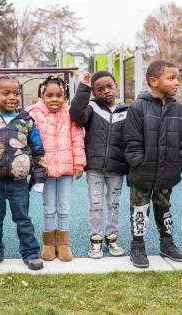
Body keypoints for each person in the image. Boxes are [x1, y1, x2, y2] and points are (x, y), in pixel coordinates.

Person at [0, 76, 47, 270]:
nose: (12, 97)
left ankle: (30, 253)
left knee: (23, 219)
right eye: (6, 93)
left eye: (16, 93)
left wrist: (39, 178)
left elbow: (38, 149)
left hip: (19, 182)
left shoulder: (27, 121)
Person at [124, 60, 182, 268]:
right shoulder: (138, 107)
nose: (176, 82)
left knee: (164, 207)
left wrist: (179, 163)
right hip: (142, 173)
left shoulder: (179, 110)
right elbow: (131, 141)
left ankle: (166, 244)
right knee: (139, 210)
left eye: (177, 78)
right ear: (153, 81)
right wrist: (139, 163)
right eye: (171, 78)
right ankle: (137, 246)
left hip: (167, 173)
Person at [26, 75, 86, 262]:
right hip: (45, 170)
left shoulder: (70, 114)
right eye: (49, 95)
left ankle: (63, 244)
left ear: (65, 97)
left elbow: (77, 139)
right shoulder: (33, 113)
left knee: (65, 208)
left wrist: (78, 163)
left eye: (59, 95)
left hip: (66, 168)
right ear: (42, 96)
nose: (54, 99)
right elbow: (27, 140)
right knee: (49, 207)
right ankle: (49, 244)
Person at [70, 71, 127, 259]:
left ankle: (112, 239)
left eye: (109, 87)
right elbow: (76, 115)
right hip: (95, 166)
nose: (107, 92)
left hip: (117, 168)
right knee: (95, 204)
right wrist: (84, 89)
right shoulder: (92, 107)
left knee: (114, 204)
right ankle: (95, 240)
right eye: (100, 90)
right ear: (95, 93)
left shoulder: (126, 111)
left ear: (116, 85)